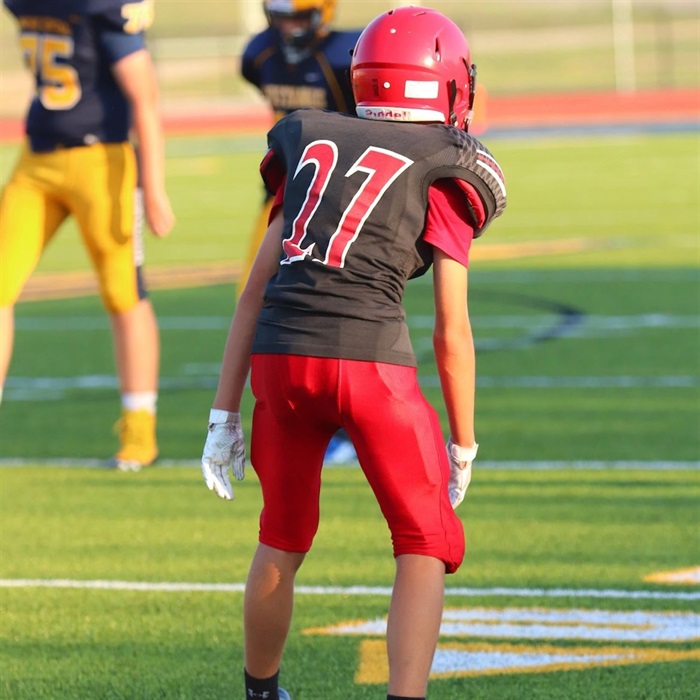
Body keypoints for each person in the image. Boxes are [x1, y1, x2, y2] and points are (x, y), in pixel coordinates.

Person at [201, 6, 506, 700]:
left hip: (281, 360)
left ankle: (260, 692)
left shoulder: (309, 142)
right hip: (371, 363)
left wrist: (223, 412)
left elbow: (254, 291)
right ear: (445, 84)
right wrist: (463, 442)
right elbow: (451, 329)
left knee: (281, 535)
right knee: (424, 542)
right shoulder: (443, 165)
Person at [0, 0, 175, 470]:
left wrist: (154, 185)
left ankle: (139, 433)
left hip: (102, 161)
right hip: (37, 159)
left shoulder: (101, 5)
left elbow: (144, 96)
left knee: (123, 294)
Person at [240, 0, 362, 465]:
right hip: (280, 197)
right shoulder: (259, 55)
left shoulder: (342, 58)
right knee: (256, 303)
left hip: (334, 201)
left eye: (299, 16)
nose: (290, 28)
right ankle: (290, 418)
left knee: (329, 308)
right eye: (283, 16)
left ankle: (345, 424)